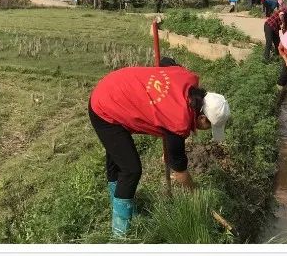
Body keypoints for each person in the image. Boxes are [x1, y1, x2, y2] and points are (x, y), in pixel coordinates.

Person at [88, 64, 230, 236]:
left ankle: (120, 202)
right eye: (210, 127)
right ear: (202, 118)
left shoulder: (185, 78)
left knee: (118, 158)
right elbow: (180, 172)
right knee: (131, 170)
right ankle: (120, 233)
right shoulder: (178, 122)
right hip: (105, 107)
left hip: (114, 86)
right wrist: (196, 194)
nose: (206, 131)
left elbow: (165, 61)